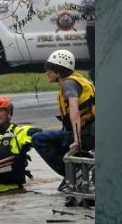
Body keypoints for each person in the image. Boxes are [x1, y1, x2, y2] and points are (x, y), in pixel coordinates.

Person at [31, 49, 95, 183]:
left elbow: (74, 110)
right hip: (89, 131)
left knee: (38, 139)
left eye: (49, 69)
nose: (46, 72)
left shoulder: (68, 84)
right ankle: (78, 168)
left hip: (86, 134)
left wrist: (77, 141)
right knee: (57, 138)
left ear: (59, 70)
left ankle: (72, 173)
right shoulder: (77, 79)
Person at [82, 0, 95, 77]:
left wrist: (89, 5)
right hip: (90, 25)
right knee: (93, 53)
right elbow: (84, 5)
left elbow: (90, 4)